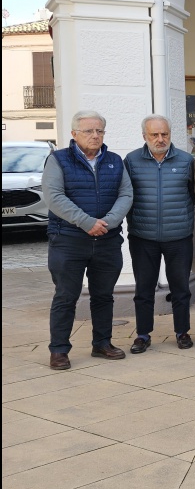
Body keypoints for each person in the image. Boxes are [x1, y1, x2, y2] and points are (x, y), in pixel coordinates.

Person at [42, 110, 133, 369]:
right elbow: (54, 197)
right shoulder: (58, 160)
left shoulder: (115, 160)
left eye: (100, 131)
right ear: (74, 134)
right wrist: (87, 222)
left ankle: (102, 343)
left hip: (106, 240)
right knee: (66, 296)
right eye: (89, 131)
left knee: (104, 296)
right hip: (68, 240)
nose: (95, 136)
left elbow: (126, 194)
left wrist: (109, 222)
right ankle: (59, 350)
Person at [123, 115, 195, 353]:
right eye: (154, 134)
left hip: (179, 237)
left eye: (164, 134)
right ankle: (143, 335)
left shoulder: (186, 160)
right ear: (144, 136)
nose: (160, 139)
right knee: (144, 289)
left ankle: (182, 332)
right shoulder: (131, 161)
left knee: (181, 288)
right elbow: (125, 195)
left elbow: (193, 195)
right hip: (143, 237)